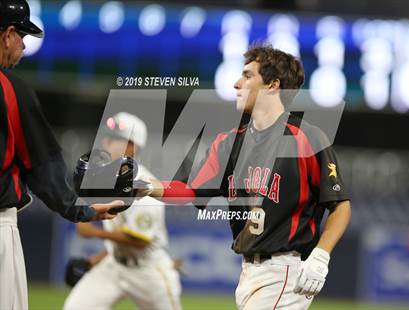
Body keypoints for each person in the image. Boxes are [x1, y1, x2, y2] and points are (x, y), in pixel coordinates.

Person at [137, 45, 351, 309]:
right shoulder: (229, 143)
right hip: (249, 272)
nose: (237, 83)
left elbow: (340, 204)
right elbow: (190, 189)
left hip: (286, 271)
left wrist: (321, 255)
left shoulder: (307, 138)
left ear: (273, 85)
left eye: (248, 76)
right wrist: (145, 186)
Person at [0, 1, 123, 309]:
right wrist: (83, 209)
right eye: (22, 37)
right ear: (7, 34)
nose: (23, 46)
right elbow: (43, 168)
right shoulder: (11, 91)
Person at [63, 112, 182, 310]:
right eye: (107, 137)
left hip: (149, 271)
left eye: (115, 138)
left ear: (132, 147)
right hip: (115, 266)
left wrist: (93, 231)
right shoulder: (104, 180)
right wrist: (95, 260)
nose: (106, 142)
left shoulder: (144, 185)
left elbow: (141, 240)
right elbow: (120, 242)